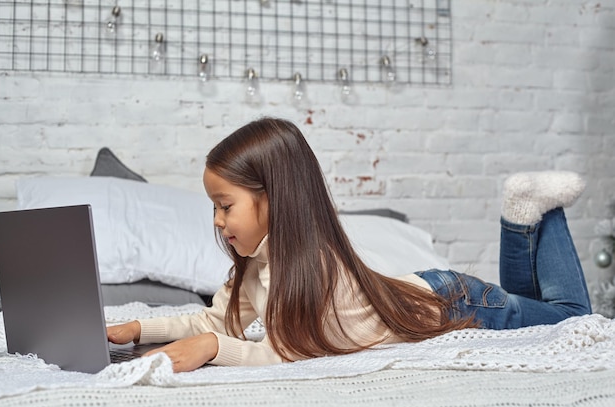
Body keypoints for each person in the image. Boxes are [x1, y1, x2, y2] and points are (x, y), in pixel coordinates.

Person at [107, 117, 592, 373]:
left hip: (455, 304)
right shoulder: (257, 265)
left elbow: (291, 355)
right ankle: (524, 215)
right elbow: (214, 318)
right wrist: (137, 327)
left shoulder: (318, 269)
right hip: (426, 291)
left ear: (272, 199)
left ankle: (520, 217)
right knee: (539, 309)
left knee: (576, 319)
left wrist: (214, 349)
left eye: (225, 205)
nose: (217, 220)